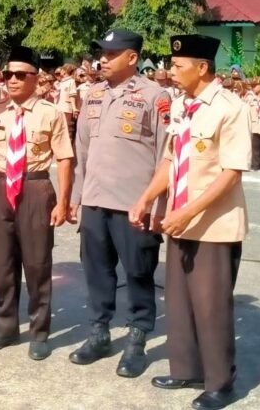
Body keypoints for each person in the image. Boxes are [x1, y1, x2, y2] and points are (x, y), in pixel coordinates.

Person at [129, 34, 250, 410]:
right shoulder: (183, 106)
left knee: (211, 306)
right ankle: (185, 368)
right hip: (178, 220)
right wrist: (147, 198)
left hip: (212, 225)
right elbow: (171, 160)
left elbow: (232, 173)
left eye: (178, 66)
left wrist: (188, 211)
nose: (170, 71)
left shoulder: (230, 108)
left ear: (202, 67)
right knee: (179, 301)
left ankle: (220, 383)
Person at [68, 29, 170, 379]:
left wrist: (159, 208)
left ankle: (137, 339)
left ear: (132, 58)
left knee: (139, 273)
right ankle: (99, 333)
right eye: (102, 54)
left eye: (111, 55)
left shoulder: (155, 96)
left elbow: (165, 155)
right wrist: (75, 198)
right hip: (95, 201)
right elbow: (81, 151)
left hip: (133, 205)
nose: (103, 60)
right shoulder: (92, 95)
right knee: (97, 272)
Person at [0, 46, 73, 361]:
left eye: (21, 75)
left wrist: (63, 201)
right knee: (3, 265)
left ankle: (39, 332)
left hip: (35, 187)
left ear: (36, 77)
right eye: (8, 74)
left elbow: (64, 158)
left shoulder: (51, 112)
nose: (13, 80)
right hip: (2, 185)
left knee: (37, 264)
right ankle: (5, 328)